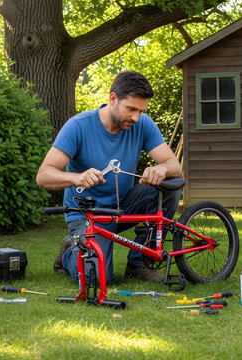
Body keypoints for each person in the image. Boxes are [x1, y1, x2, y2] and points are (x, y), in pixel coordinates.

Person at [36, 71, 182, 286]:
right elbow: (44, 175)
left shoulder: (142, 124)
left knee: (169, 188)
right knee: (96, 279)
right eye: (131, 109)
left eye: (141, 111)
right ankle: (69, 252)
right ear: (112, 99)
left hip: (122, 207)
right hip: (86, 214)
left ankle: (138, 263)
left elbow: (174, 166)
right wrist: (77, 178)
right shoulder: (78, 126)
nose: (136, 117)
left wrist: (162, 169)